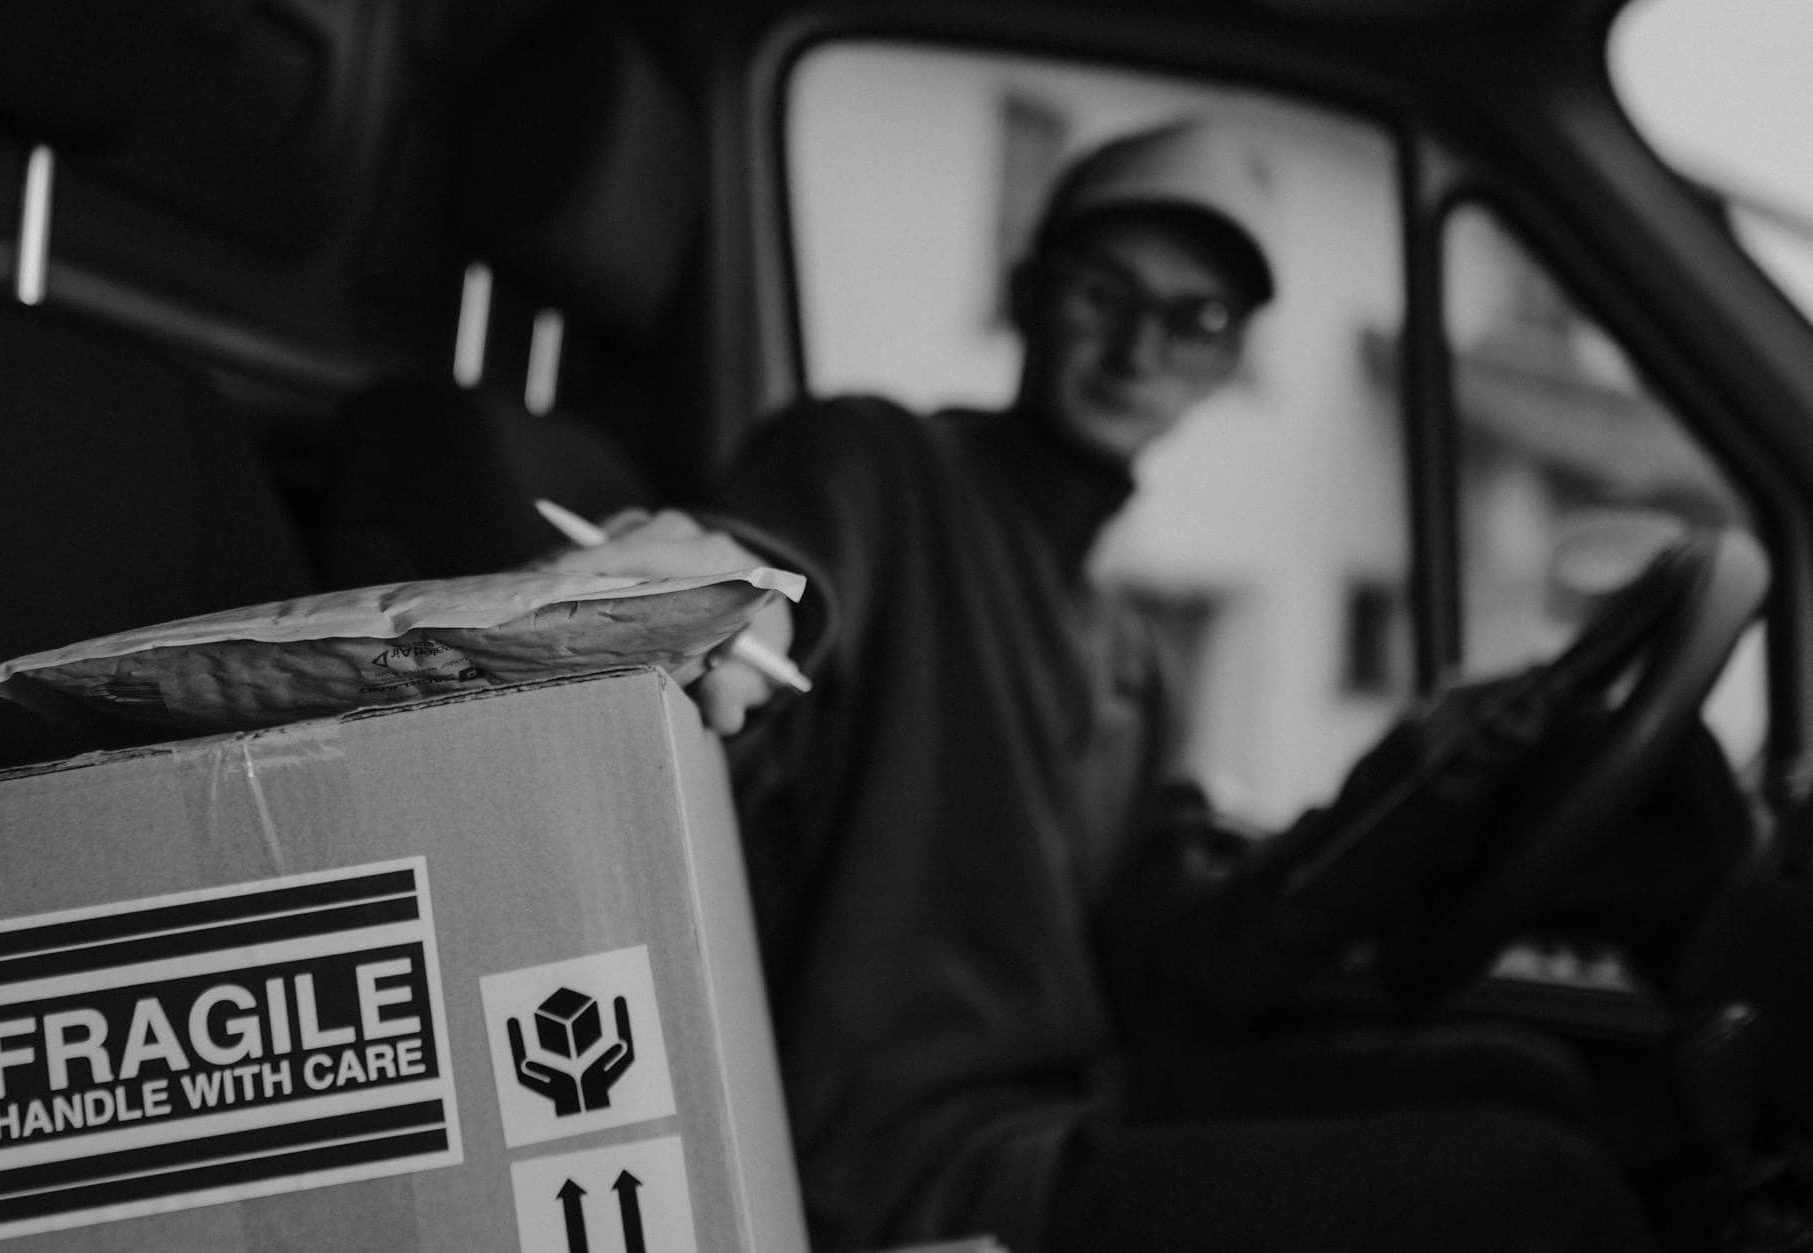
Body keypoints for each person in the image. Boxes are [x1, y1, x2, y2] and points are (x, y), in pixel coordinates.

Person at [542, 121, 1660, 1251]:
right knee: (1535, 1188)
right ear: (1026, 292)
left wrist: (1410, 789)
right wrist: (716, 596)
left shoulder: (1131, 652)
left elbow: (1174, 968)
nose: (1137, 350)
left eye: (1194, 321)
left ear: (1227, 363)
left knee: (1524, 1075)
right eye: (1101, 292)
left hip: (1071, 1100)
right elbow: (784, 567)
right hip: (903, 1167)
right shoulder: (875, 462)